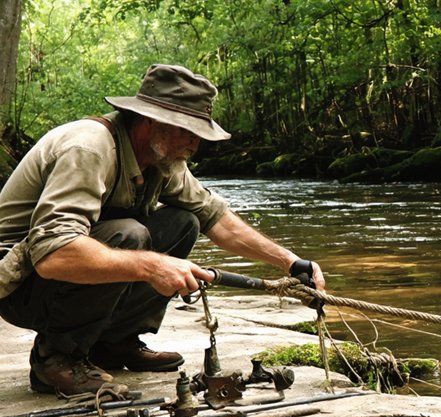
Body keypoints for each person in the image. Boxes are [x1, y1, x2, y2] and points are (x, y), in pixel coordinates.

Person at [0, 63, 325, 398]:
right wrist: (153, 266)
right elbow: (53, 256)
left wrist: (290, 262)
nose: (195, 144)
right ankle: (54, 359)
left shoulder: (162, 159)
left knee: (183, 224)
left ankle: (113, 344)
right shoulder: (88, 148)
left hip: (59, 274)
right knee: (131, 236)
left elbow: (218, 220)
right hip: (21, 287)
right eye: (188, 131)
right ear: (152, 122)